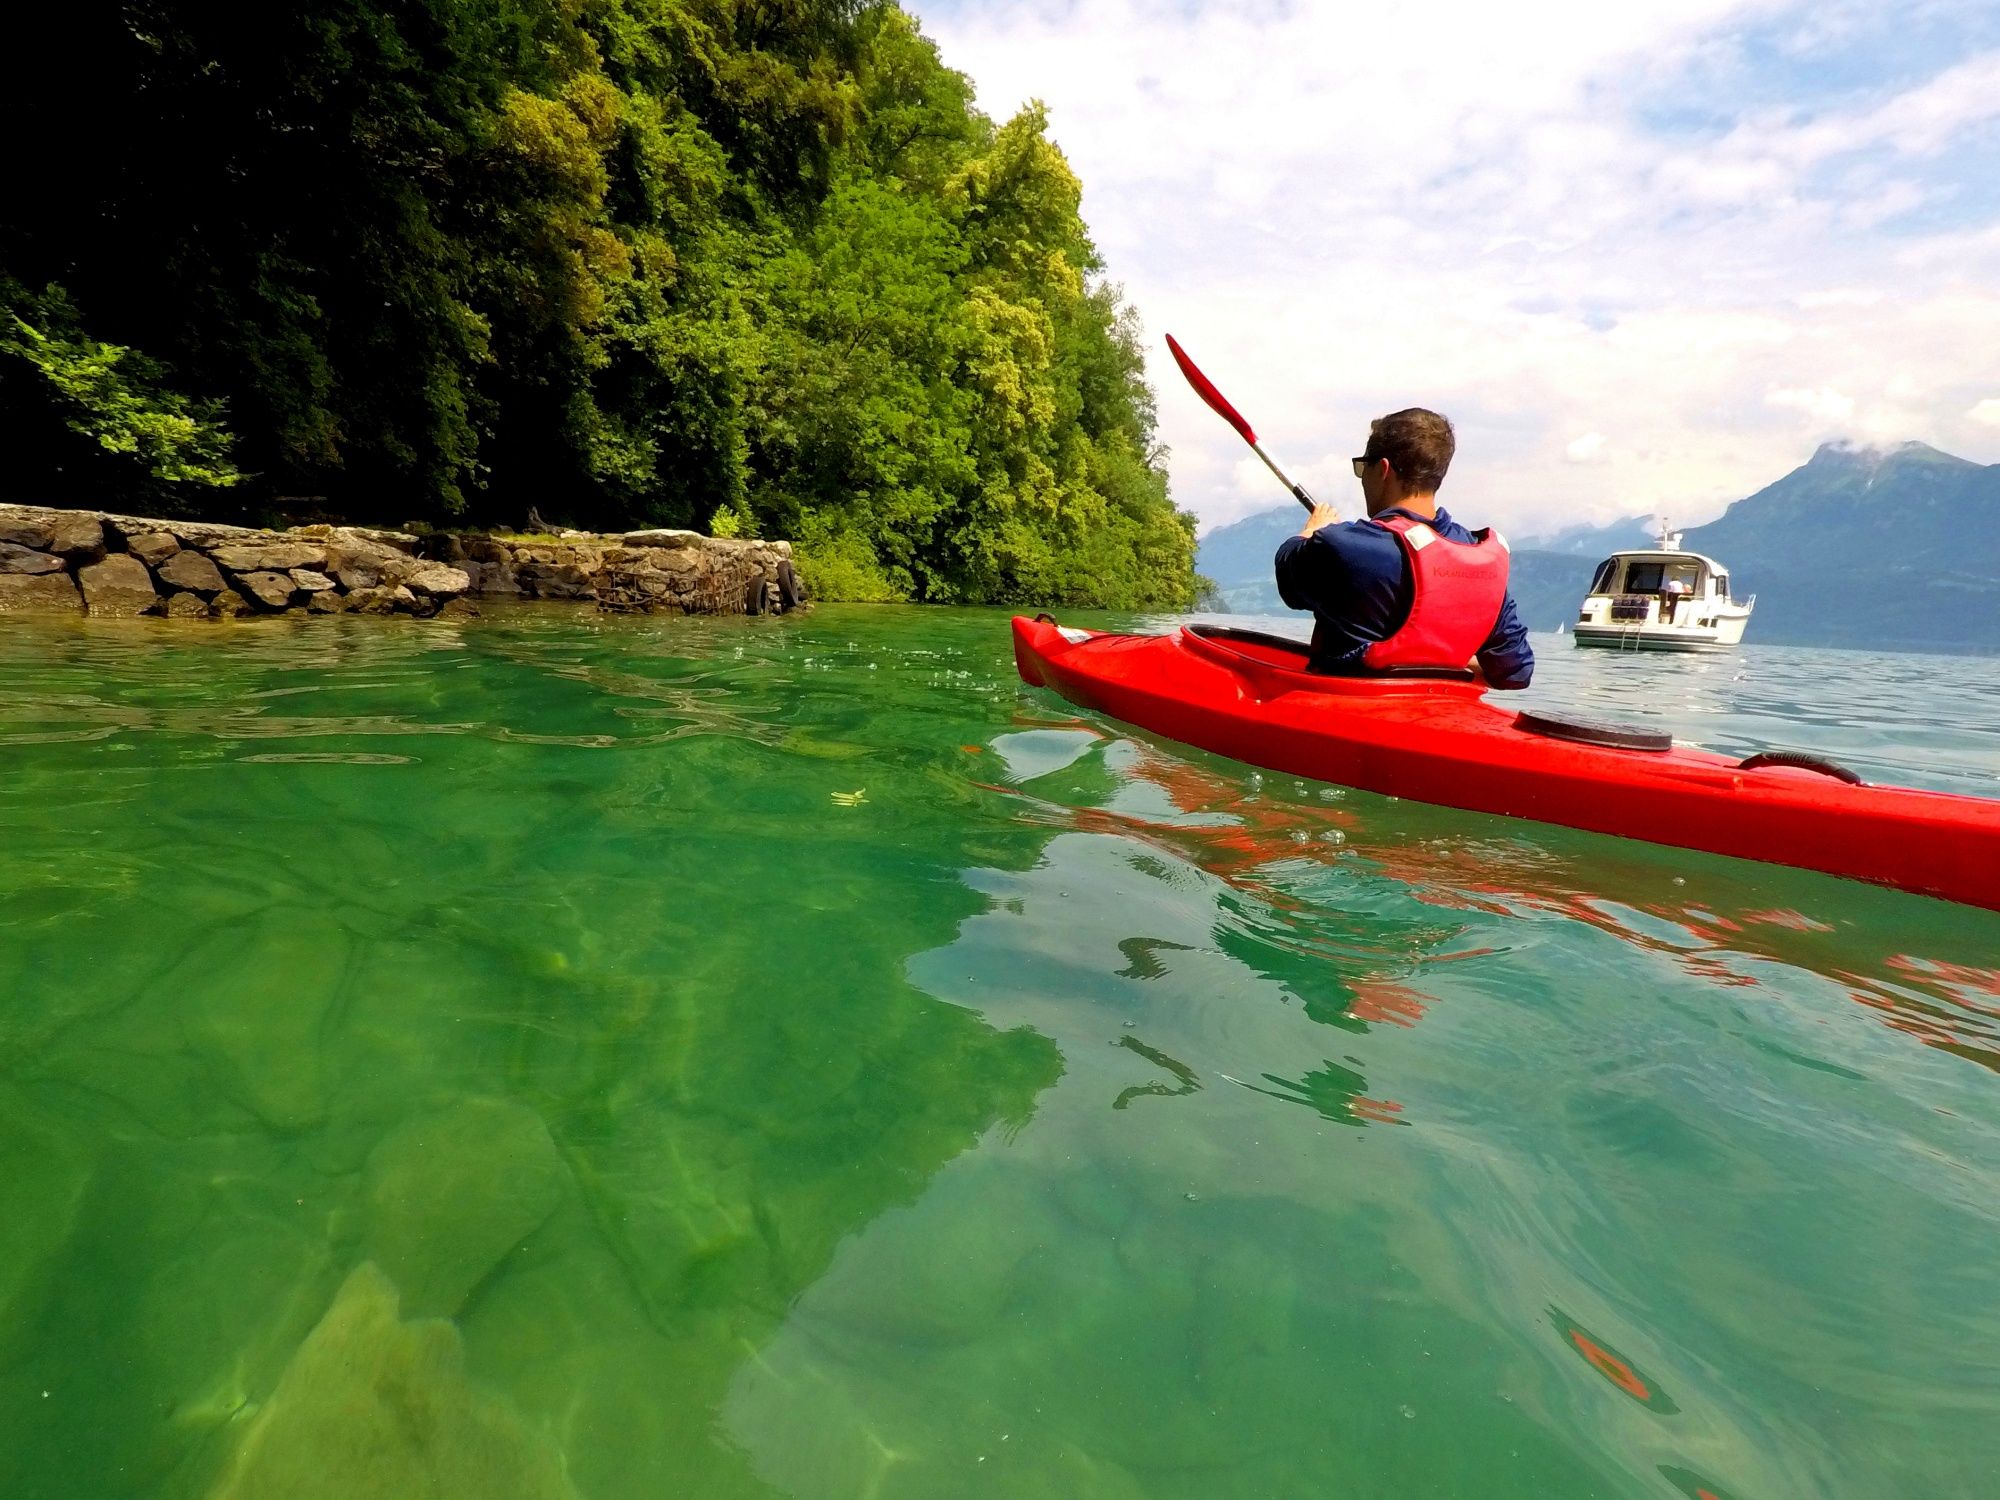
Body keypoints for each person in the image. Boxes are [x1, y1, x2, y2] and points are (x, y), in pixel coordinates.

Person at [1273, 408, 1533, 688]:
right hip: (1438, 713)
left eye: (1363, 467)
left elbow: (1289, 581)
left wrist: (1312, 531)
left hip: (1347, 710)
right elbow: (1515, 672)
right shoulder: (1479, 558)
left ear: (1383, 469)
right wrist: (1444, 663)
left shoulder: (1341, 546)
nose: (1362, 478)